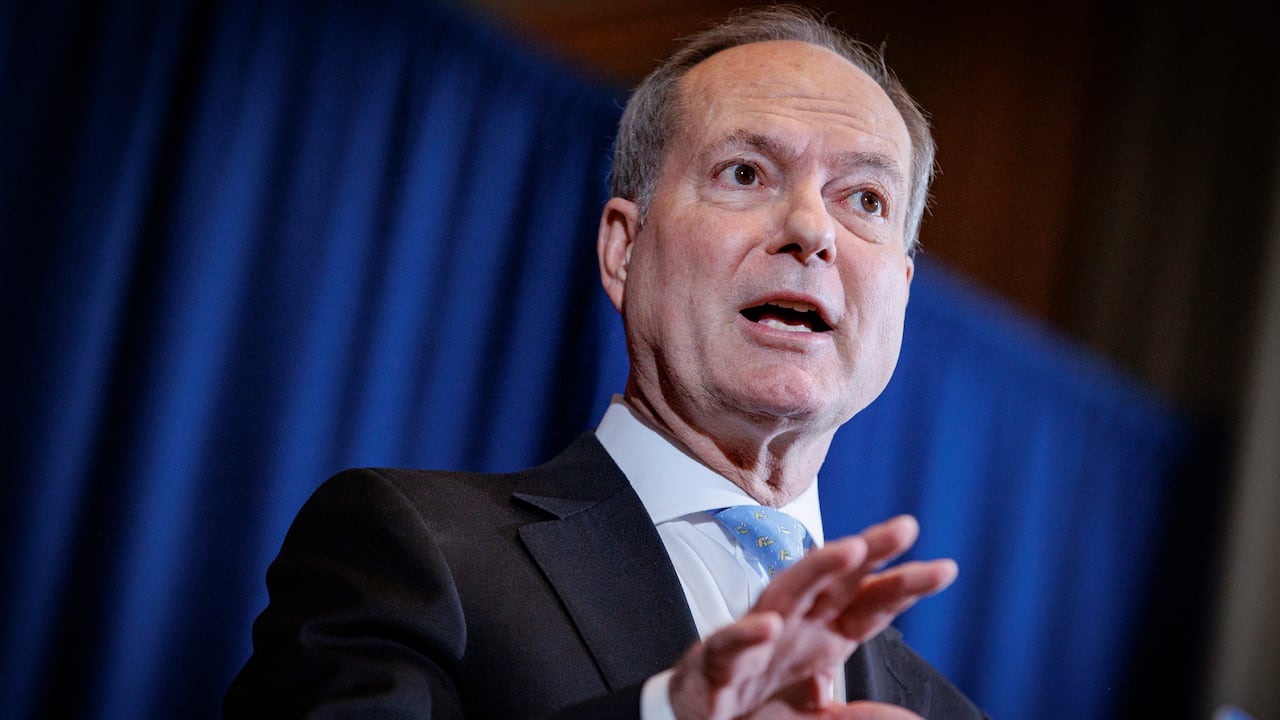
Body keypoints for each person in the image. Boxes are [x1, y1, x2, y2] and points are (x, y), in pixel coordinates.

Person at [225, 6, 988, 719]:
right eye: (746, 173)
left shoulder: (940, 709)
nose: (811, 229)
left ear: (902, 292)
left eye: (865, 200)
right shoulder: (412, 550)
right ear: (624, 251)